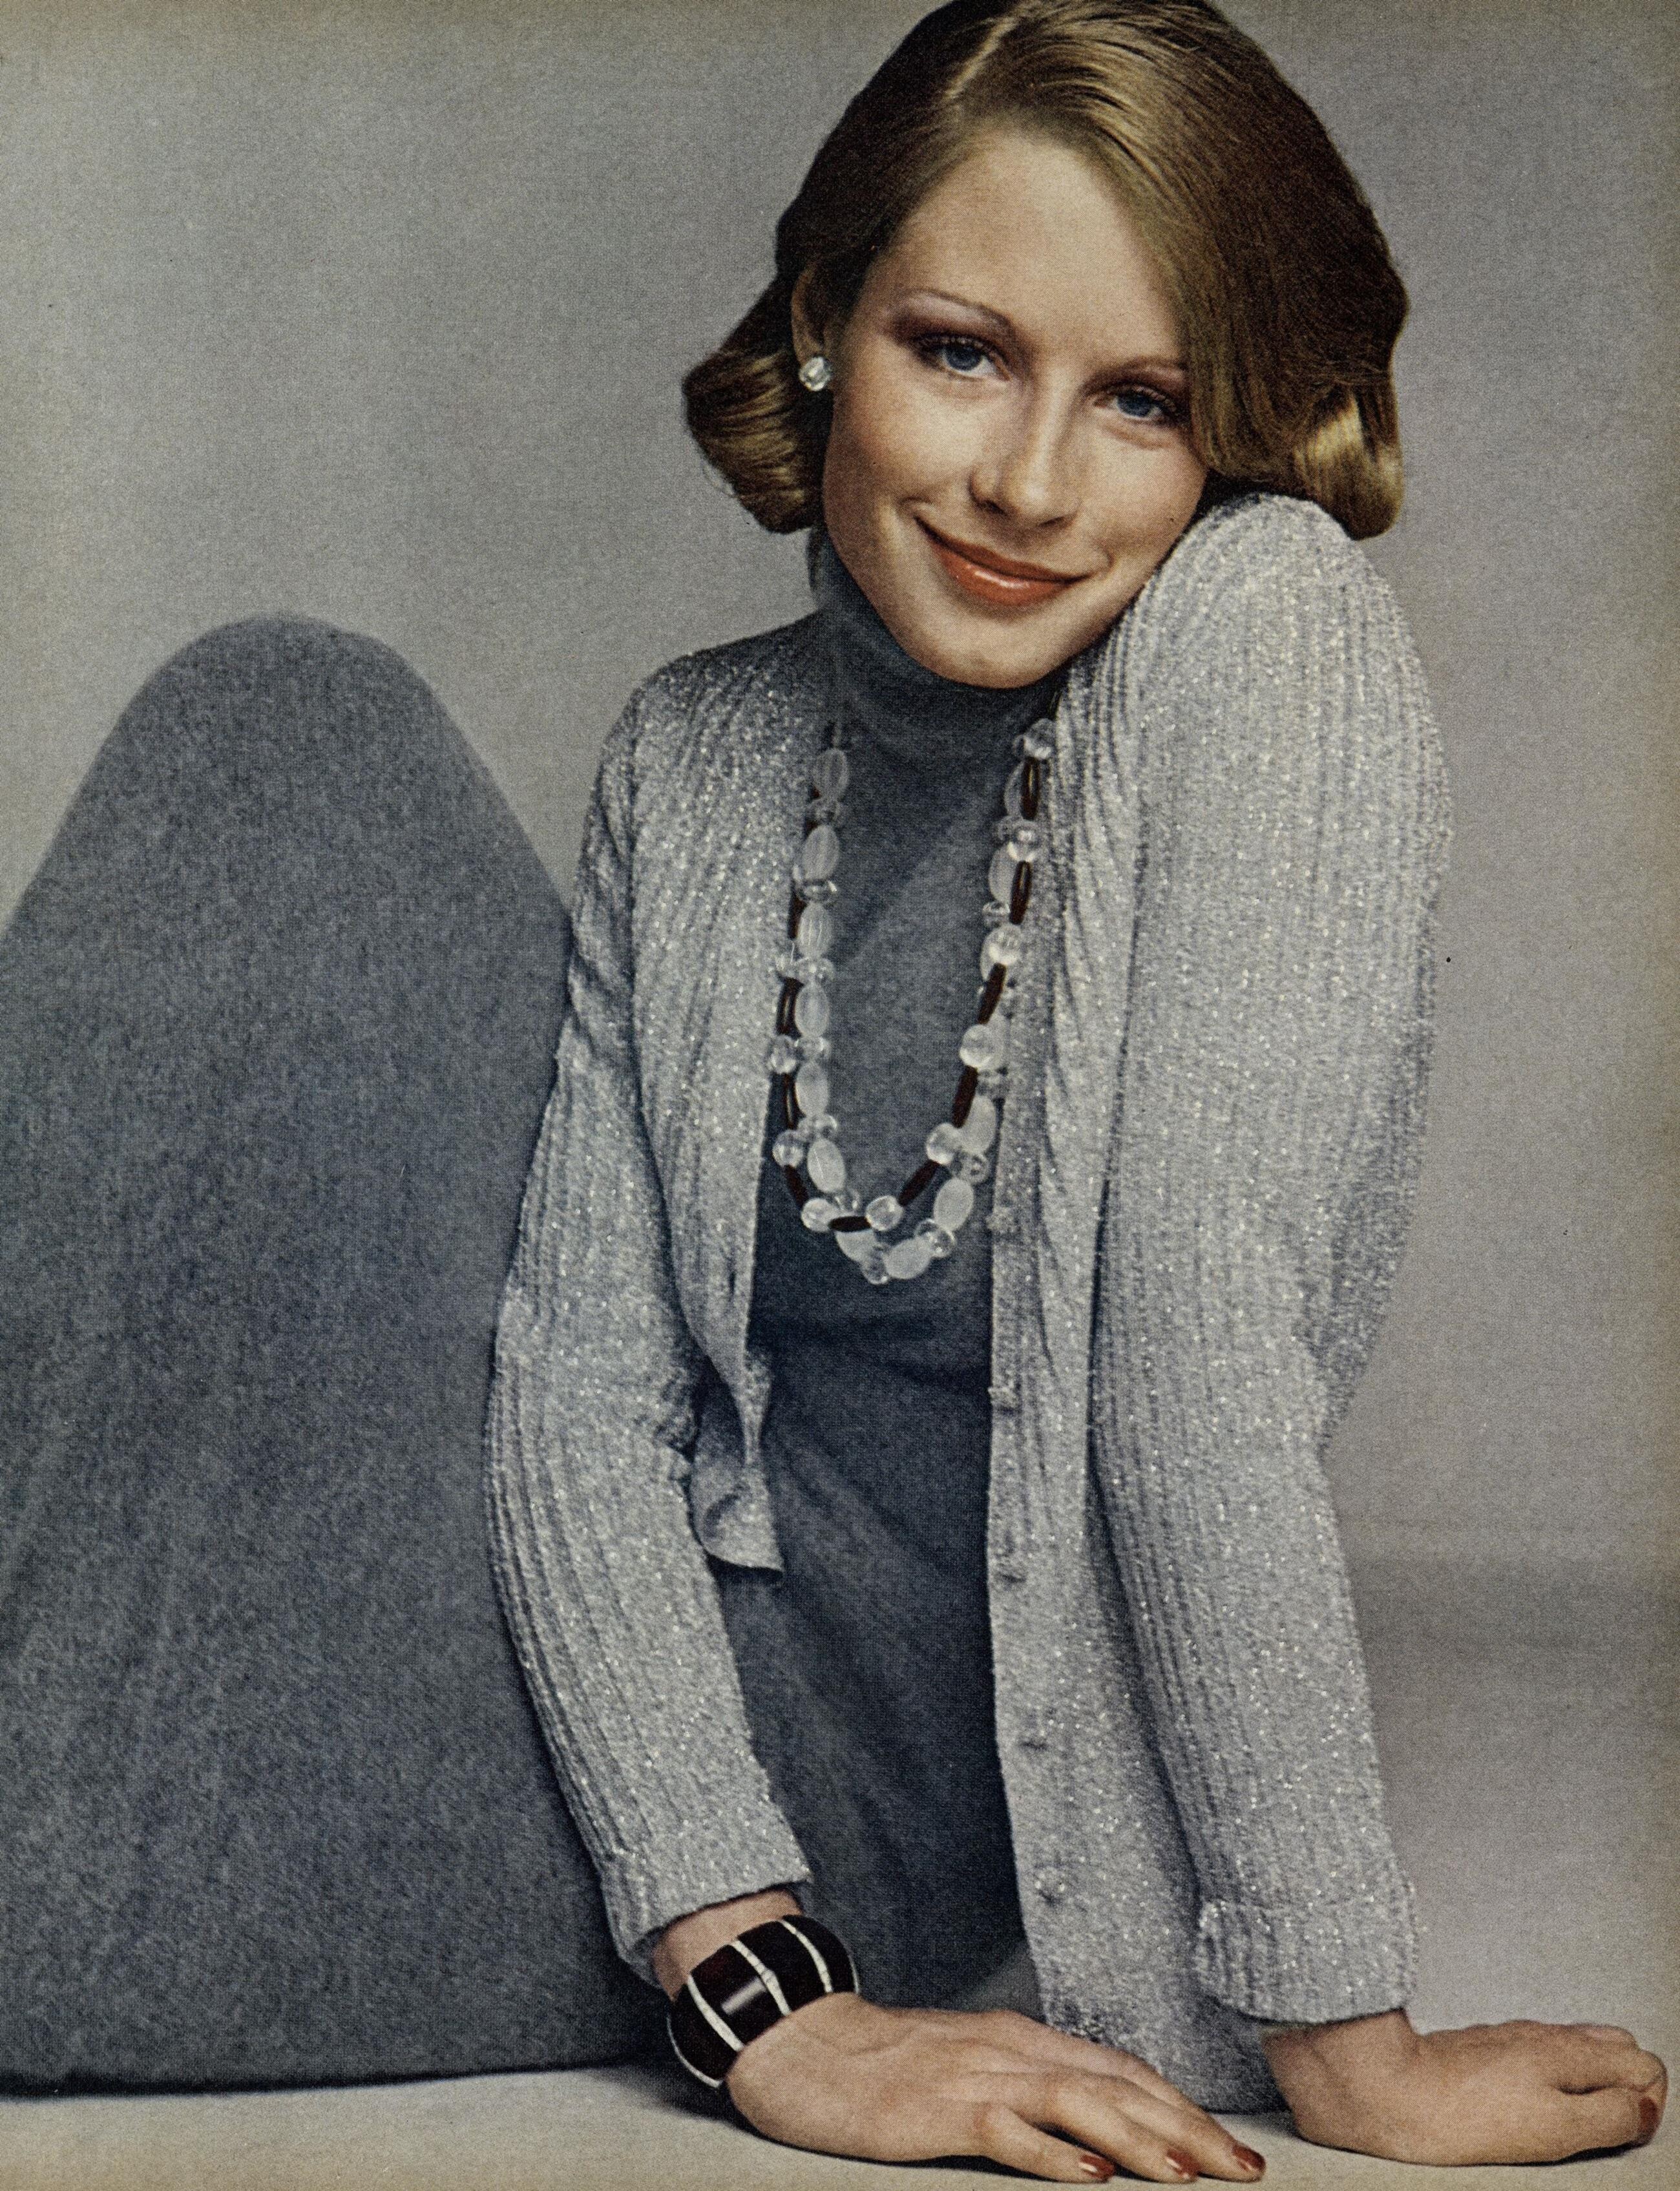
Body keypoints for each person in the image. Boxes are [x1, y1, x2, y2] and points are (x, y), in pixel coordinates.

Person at [0, 0, 1663, 2177]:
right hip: (626, 1709)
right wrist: (747, 1976)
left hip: (841, 1787)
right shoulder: (693, 761)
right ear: (821, 324)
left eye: (1144, 400)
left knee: (58, 1883)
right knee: (284, 725)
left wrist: (1338, 2029)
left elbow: (1195, 1359)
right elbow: (578, 1399)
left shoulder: (1265, 641)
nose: (1032, 484)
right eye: (961, 352)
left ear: (1236, 429)